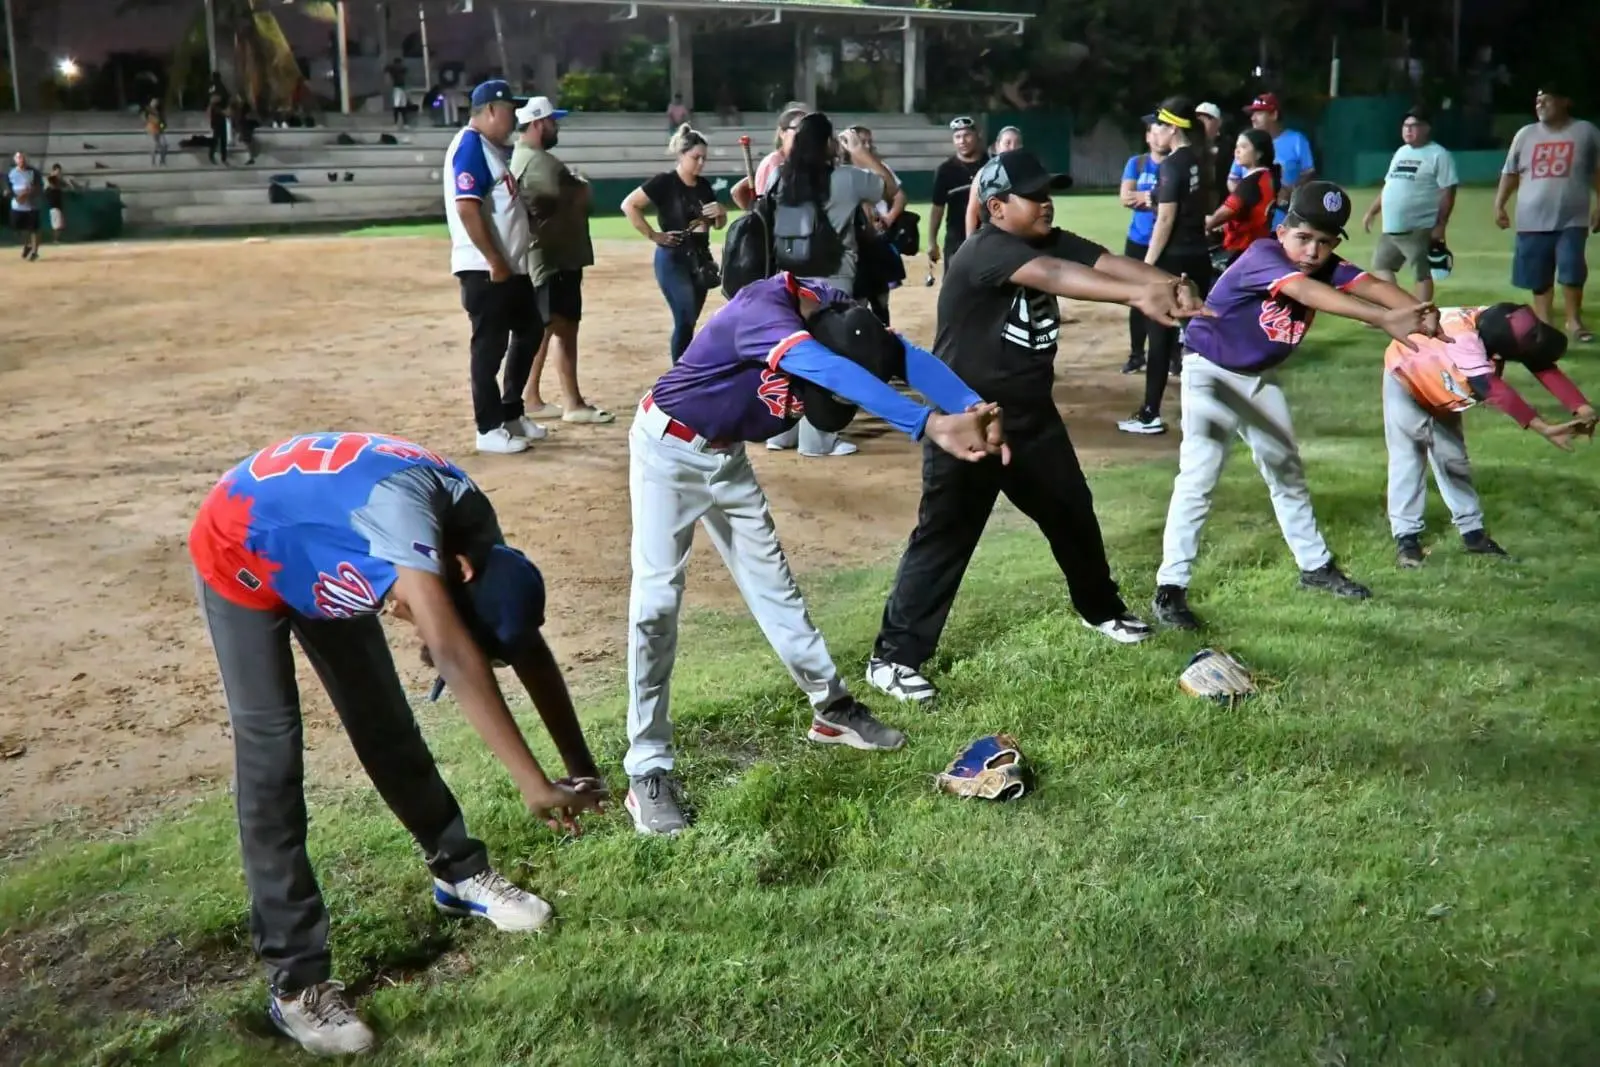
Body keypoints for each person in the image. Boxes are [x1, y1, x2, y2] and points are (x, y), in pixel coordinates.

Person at [188, 430, 606, 1057]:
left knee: (384, 723)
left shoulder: (474, 535)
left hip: (326, 534)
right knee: (271, 759)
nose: (416, 631)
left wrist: (579, 769)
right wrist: (533, 785)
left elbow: (522, 644)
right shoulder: (407, 526)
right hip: (241, 547)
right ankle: (297, 984)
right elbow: (454, 653)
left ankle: (460, 875)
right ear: (451, 574)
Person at [624, 274, 1007, 833]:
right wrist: (927, 423)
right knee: (655, 606)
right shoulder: (763, 310)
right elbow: (826, 370)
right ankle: (647, 770)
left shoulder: (837, 309)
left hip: (726, 463)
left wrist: (971, 407)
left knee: (776, 589)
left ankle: (833, 711)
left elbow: (901, 355)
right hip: (667, 454)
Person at [866, 150, 1210, 706]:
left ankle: (1101, 610)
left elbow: (1103, 262)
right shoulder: (987, 250)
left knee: (1071, 511)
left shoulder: (1044, 237)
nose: (1047, 201)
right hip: (972, 420)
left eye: (1049, 191)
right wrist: (1136, 295)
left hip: (1030, 416)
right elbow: (1057, 278)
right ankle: (893, 658)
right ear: (997, 207)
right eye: (1034, 194)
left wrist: (1168, 283)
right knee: (947, 535)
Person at [1148, 181, 1445, 632]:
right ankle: (1170, 587)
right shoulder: (1263, 256)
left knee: (1287, 473)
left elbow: (1372, 286)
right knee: (1199, 479)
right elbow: (1305, 294)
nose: (1312, 250)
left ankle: (1314, 566)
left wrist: (1422, 312)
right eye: (1303, 237)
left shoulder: (1324, 265)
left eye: (1324, 242)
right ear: (1282, 229)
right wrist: (1383, 320)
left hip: (1259, 380)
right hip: (1211, 373)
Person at [1382, 304, 1594, 567]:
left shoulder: (1501, 319)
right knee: (1409, 459)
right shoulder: (1463, 338)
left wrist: (1580, 406)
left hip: (1446, 389)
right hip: (1408, 379)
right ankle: (1407, 540)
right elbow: (1495, 390)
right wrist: (1544, 428)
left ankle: (1473, 534)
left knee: (1453, 458)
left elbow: (1537, 360)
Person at [762, 112, 899, 460]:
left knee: (793, 357)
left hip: (787, 281)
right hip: (834, 283)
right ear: (828, 143)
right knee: (832, 358)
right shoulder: (847, 178)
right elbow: (890, 188)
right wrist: (860, 151)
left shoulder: (780, 176)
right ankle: (818, 438)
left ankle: (784, 432)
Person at [445, 80, 545, 455]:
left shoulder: (491, 149)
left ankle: (511, 413)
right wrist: (494, 259)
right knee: (489, 347)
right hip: (486, 269)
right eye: (508, 111)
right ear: (489, 110)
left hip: (510, 267)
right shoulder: (470, 145)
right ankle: (487, 428)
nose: (514, 118)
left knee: (530, 331)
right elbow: (467, 206)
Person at [511, 96, 612, 425]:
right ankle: (573, 403)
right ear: (539, 123)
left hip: (545, 255)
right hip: (556, 257)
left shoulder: (522, 157)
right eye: (553, 122)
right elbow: (571, 198)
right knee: (564, 329)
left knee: (545, 327)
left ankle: (531, 397)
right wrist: (580, 186)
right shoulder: (542, 162)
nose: (556, 127)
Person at [1119, 98, 1214, 437]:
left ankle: (1150, 414)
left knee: (1158, 338)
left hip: (1172, 260)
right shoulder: (1201, 159)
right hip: (1198, 257)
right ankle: (1207, 414)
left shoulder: (1171, 165)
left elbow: (1165, 219)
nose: (1154, 131)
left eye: (1159, 124)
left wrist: (1147, 265)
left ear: (1173, 128)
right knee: (1198, 337)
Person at [1494, 86, 1600, 343]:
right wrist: (1499, 204)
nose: (1540, 104)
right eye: (1538, 100)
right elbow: (1510, 172)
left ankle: (1574, 322)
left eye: (1547, 100)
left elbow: (1598, 170)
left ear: (1565, 101)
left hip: (1572, 218)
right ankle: (1544, 325)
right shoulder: (1525, 134)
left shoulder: (1585, 131)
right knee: (1537, 274)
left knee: (1571, 269)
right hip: (1531, 218)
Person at [621, 123, 727, 365]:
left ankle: (684, 370)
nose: (700, 163)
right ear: (681, 154)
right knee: (685, 315)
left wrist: (721, 213)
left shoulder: (704, 186)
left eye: (704, 159)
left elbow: (716, 224)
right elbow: (629, 205)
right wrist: (654, 235)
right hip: (673, 258)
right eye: (695, 157)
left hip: (700, 258)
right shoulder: (664, 182)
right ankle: (679, 374)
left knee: (689, 321)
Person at [1361, 108, 1459, 304]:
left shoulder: (1438, 154)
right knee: (1381, 266)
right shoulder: (1401, 152)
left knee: (1421, 273)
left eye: (1414, 126)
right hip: (1392, 227)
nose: (1408, 130)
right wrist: (1372, 211)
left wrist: (1440, 225)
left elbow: (1448, 191)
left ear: (1426, 128)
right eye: (1405, 126)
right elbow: (1389, 186)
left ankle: (1421, 315)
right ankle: (1398, 308)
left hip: (1418, 227)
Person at [1118, 118, 1167, 374]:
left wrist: (1145, 197)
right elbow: (1125, 198)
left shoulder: (1174, 164)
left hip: (1166, 242)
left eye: (1163, 131)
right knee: (1136, 299)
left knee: (1168, 296)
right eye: (1154, 132)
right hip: (1137, 240)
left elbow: (1176, 203)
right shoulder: (1137, 163)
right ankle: (1137, 353)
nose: (1159, 136)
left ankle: (1172, 357)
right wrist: (1158, 199)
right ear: (1148, 137)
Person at [1231, 93, 1315, 227]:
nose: (1253, 118)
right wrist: (1244, 199)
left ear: (1274, 115)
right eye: (1252, 114)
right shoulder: (1246, 144)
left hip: (1286, 217)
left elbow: (1308, 173)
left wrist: (1290, 191)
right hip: (1251, 221)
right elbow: (1233, 179)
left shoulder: (1296, 140)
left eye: (1258, 113)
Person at [1205, 128, 1279, 265]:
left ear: (1258, 154)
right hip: (1256, 248)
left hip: (1242, 249)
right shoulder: (1268, 176)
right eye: (1237, 146)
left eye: (1244, 147)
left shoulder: (1251, 183)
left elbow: (1227, 211)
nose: (1237, 151)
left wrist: (1207, 225)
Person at [927, 116, 987, 276]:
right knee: (955, 288)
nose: (962, 141)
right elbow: (937, 208)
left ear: (977, 135)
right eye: (958, 137)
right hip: (956, 239)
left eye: (967, 135)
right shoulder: (945, 170)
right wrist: (932, 241)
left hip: (990, 235)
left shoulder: (991, 164)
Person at [730, 105, 807, 210]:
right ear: (782, 133)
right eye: (798, 128)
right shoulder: (774, 162)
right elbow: (738, 191)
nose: (805, 133)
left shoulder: (800, 161)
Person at [963, 125, 1023, 237]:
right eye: (1007, 143)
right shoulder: (984, 173)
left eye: (1017, 143)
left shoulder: (1029, 173)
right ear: (997, 146)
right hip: (993, 236)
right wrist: (969, 243)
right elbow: (972, 211)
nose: (1012, 148)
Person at [7, 152, 42, 261]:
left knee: (34, 229)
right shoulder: (11, 173)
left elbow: (37, 186)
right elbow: (8, 187)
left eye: (23, 158)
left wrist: (26, 195)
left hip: (31, 204)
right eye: (19, 158)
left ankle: (35, 252)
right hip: (17, 205)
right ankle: (27, 245)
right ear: (15, 160)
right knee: (17, 228)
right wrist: (14, 196)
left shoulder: (33, 172)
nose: (21, 160)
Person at [207, 73, 231, 165]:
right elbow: (215, 99)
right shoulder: (217, 87)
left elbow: (215, 99)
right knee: (219, 136)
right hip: (219, 115)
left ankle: (220, 156)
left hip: (218, 115)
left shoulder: (215, 87)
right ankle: (217, 155)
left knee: (220, 137)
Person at [44, 163, 68, 242]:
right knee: (56, 224)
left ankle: (57, 239)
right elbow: (50, 181)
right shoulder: (51, 178)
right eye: (58, 171)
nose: (59, 173)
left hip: (58, 204)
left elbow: (64, 184)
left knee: (60, 224)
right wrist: (55, 175)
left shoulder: (58, 180)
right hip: (54, 204)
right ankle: (55, 239)